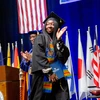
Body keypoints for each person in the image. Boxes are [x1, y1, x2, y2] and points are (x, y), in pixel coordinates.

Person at [29, 12, 70, 100]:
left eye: (52, 24)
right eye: (47, 24)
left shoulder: (58, 42)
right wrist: (51, 72)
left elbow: (63, 57)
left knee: (61, 96)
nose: (49, 26)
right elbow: (39, 57)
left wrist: (59, 41)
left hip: (58, 75)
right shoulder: (40, 38)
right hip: (43, 76)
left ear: (57, 27)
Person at [20, 30, 39, 99]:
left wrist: (31, 60)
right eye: (30, 37)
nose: (31, 39)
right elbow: (23, 67)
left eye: (33, 37)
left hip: (41, 79)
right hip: (31, 80)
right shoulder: (30, 51)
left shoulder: (43, 50)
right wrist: (26, 60)